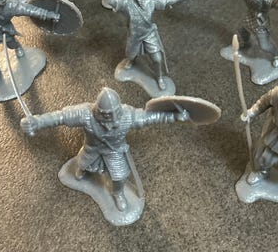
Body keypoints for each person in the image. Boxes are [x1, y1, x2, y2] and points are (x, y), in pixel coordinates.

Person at [21, 87, 190, 212]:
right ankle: (81, 169)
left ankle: (118, 194)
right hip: (92, 148)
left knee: (120, 176)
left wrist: (174, 116)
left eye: (113, 114)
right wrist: (38, 121)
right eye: (106, 115)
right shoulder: (84, 114)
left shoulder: (128, 116)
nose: (111, 120)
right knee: (83, 163)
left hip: (113, 151)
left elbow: (151, 117)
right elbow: (59, 117)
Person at [102, 0, 194, 90]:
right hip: (135, 35)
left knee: (157, 59)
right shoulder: (126, 3)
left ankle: (159, 77)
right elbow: (108, 1)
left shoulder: (151, 0)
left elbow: (168, 1)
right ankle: (132, 60)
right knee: (130, 55)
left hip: (149, 34)